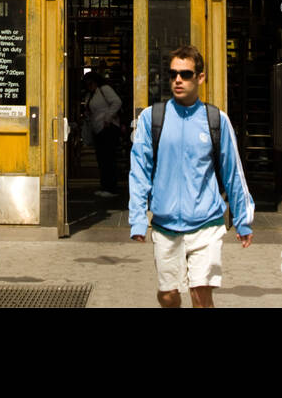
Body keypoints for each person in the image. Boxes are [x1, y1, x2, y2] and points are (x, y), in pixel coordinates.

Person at [129, 44, 254, 308]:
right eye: (173, 73)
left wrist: (243, 220)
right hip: (165, 225)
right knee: (168, 295)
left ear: (200, 77)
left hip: (206, 224)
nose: (177, 80)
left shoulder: (216, 120)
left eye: (185, 74)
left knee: (200, 294)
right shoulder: (152, 118)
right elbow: (139, 172)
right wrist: (138, 218)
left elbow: (233, 173)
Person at [84, 71, 123, 198]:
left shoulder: (104, 89)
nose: (89, 85)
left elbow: (117, 102)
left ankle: (111, 187)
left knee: (108, 158)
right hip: (98, 129)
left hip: (108, 128)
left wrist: (108, 117)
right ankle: (105, 185)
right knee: (102, 159)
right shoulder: (91, 94)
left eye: (90, 82)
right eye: (87, 84)